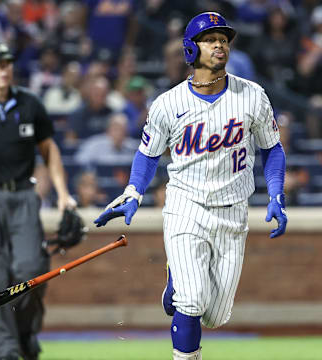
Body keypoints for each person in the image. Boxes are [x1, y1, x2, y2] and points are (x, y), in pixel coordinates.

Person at [94, 12, 288, 360]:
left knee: (214, 316)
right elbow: (147, 154)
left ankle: (175, 282)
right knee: (192, 301)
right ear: (190, 49)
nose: (219, 45)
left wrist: (276, 193)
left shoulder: (252, 95)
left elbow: (272, 147)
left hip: (233, 212)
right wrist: (134, 191)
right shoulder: (168, 103)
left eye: (224, 40)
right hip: (186, 206)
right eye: (210, 39)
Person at [0, 42, 76, 360]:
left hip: (25, 196)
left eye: (8, 63)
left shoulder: (29, 103)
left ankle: (25, 331)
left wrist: (64, 195)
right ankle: (5, 352)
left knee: (33, 269)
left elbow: (49, 149)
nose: (4, 68)